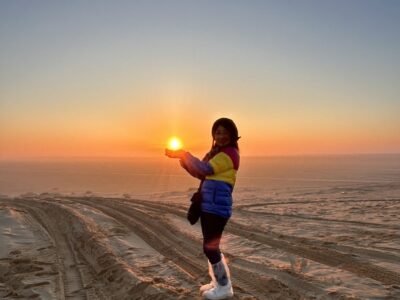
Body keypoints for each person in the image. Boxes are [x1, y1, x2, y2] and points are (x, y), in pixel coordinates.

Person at [165, 117, 240, 299]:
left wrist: (184, 154)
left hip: (218, 208)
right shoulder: (216, 152)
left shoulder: (229, 154)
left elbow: (205, 168)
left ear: (232, 135)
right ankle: (219, 282)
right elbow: (199, 172)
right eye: (217, 132)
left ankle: (224, 287)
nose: (220, 136)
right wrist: (182, 159)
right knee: (211, 247)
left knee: (210, 248)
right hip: (209, 205)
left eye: (224, 132)